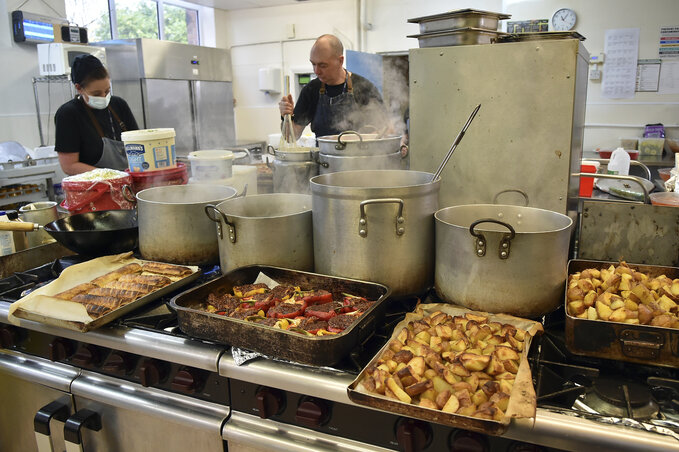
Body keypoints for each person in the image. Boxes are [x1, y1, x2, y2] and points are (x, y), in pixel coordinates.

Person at [278, 34, 389, 141]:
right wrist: (286, 117)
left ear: (340, 61)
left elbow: (384, 130)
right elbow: (292, 137)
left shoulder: (363, 87)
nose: (316, 71)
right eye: (313, 64)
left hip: (358, 157)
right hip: (323, 159)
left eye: (323, 65)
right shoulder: (311, 90)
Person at [55, 55, 139, 175]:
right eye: (96, 93)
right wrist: (111, 176)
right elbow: (69, 166)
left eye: (107, 91)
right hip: (94, 189)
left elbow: (139, 143)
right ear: (79, 88)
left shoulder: (119, 105)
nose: (103, 97)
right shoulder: (68, 114)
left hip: (127, 182)